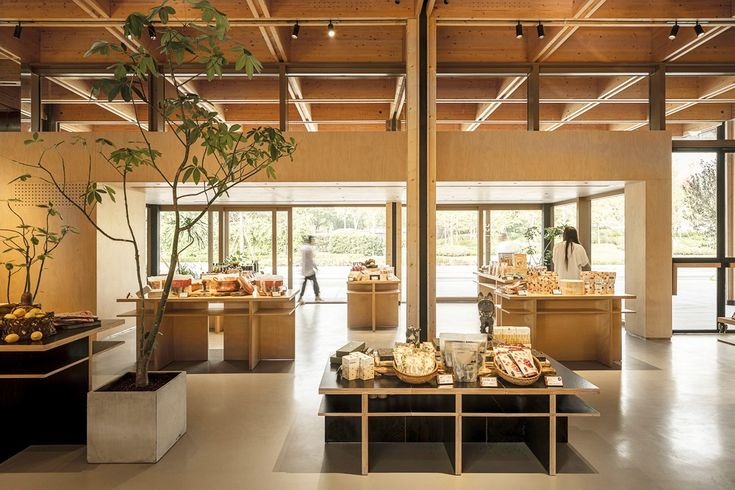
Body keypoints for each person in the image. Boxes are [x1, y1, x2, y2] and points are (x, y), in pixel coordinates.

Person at [298, 235, 322, 304]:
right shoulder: (309, 249)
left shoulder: (303, 247)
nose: (314, 241)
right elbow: (311, 260)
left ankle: (301, 297)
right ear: (310, 240)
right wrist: (316, 267)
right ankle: (317, 296)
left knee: (305, 283)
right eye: (313, 240)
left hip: (305, 268)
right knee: (314, 282)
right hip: (309, 269)